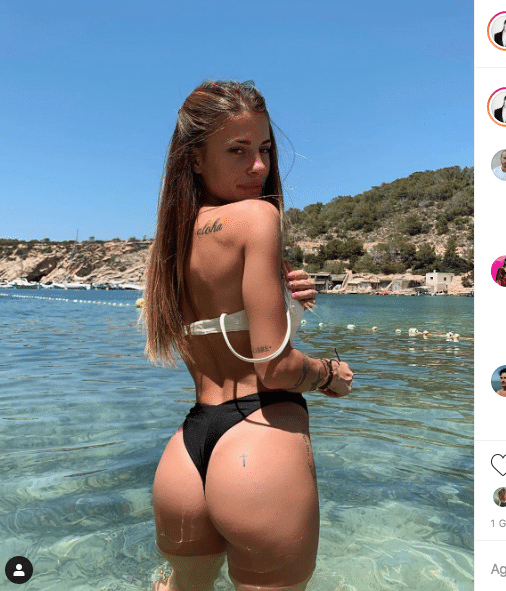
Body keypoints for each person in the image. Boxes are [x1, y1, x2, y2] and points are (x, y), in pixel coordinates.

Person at [142, 80, 353, 591]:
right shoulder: (258, 217)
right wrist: (329, 375)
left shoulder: (171, 240)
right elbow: (275, 369)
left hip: (185, 458)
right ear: (195, 158)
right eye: (237, 150)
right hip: (259, 444)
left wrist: (285, 297)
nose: (258, 166)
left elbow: (223, 318)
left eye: (264, 149)